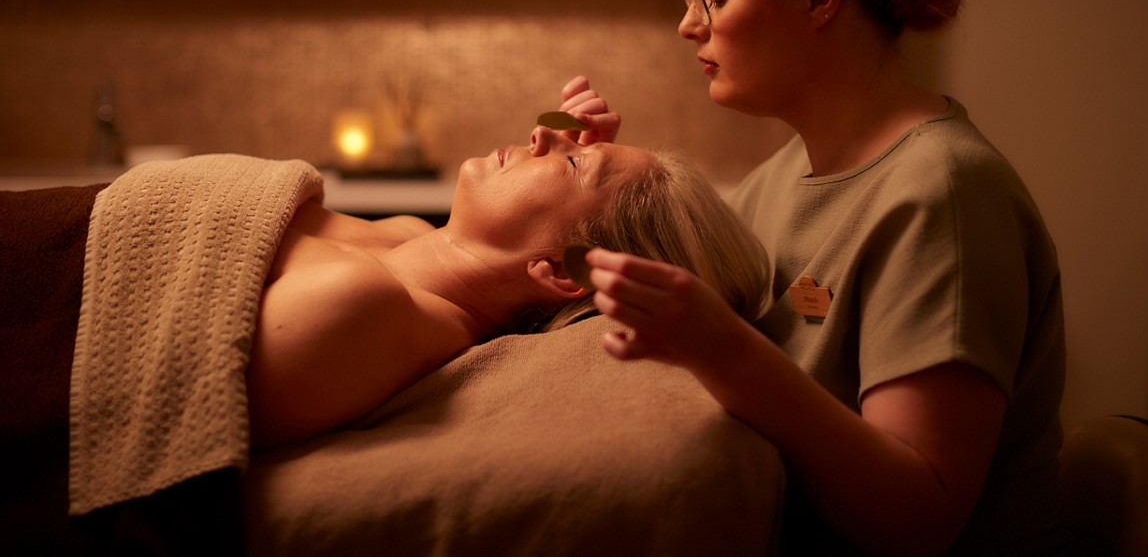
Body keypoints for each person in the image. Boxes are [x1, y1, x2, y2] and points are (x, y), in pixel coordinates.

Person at [557, 0, 1070, 554]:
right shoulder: (786, 174)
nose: (688, 24)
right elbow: (695, 302)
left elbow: (919, 518)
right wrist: (590, 185)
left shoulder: (942, 195)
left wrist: (728, 352)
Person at [247, 125, 768, 449]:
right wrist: (580, 167)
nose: (544, 131)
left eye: (571, 161)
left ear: (562, 272)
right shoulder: (408, 233)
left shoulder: (361, 309)